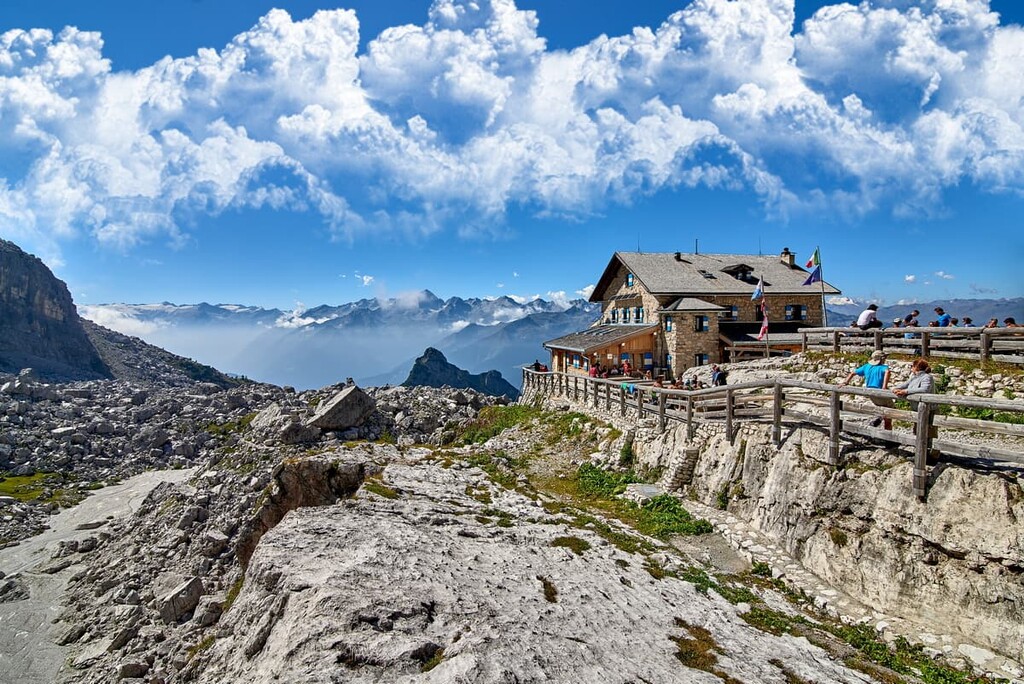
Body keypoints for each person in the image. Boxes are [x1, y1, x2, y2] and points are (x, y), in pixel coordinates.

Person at [840, 351, 892, 428]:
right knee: (890, 411)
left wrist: (845, 382)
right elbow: (887, 372)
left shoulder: (867, 366)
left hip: (870, 392)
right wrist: (884, 386)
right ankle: (886, 431)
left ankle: (880, 419)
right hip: (880, 392)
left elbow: (852, 373)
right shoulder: (883, 368)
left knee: (883, 408)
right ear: (881, 359)